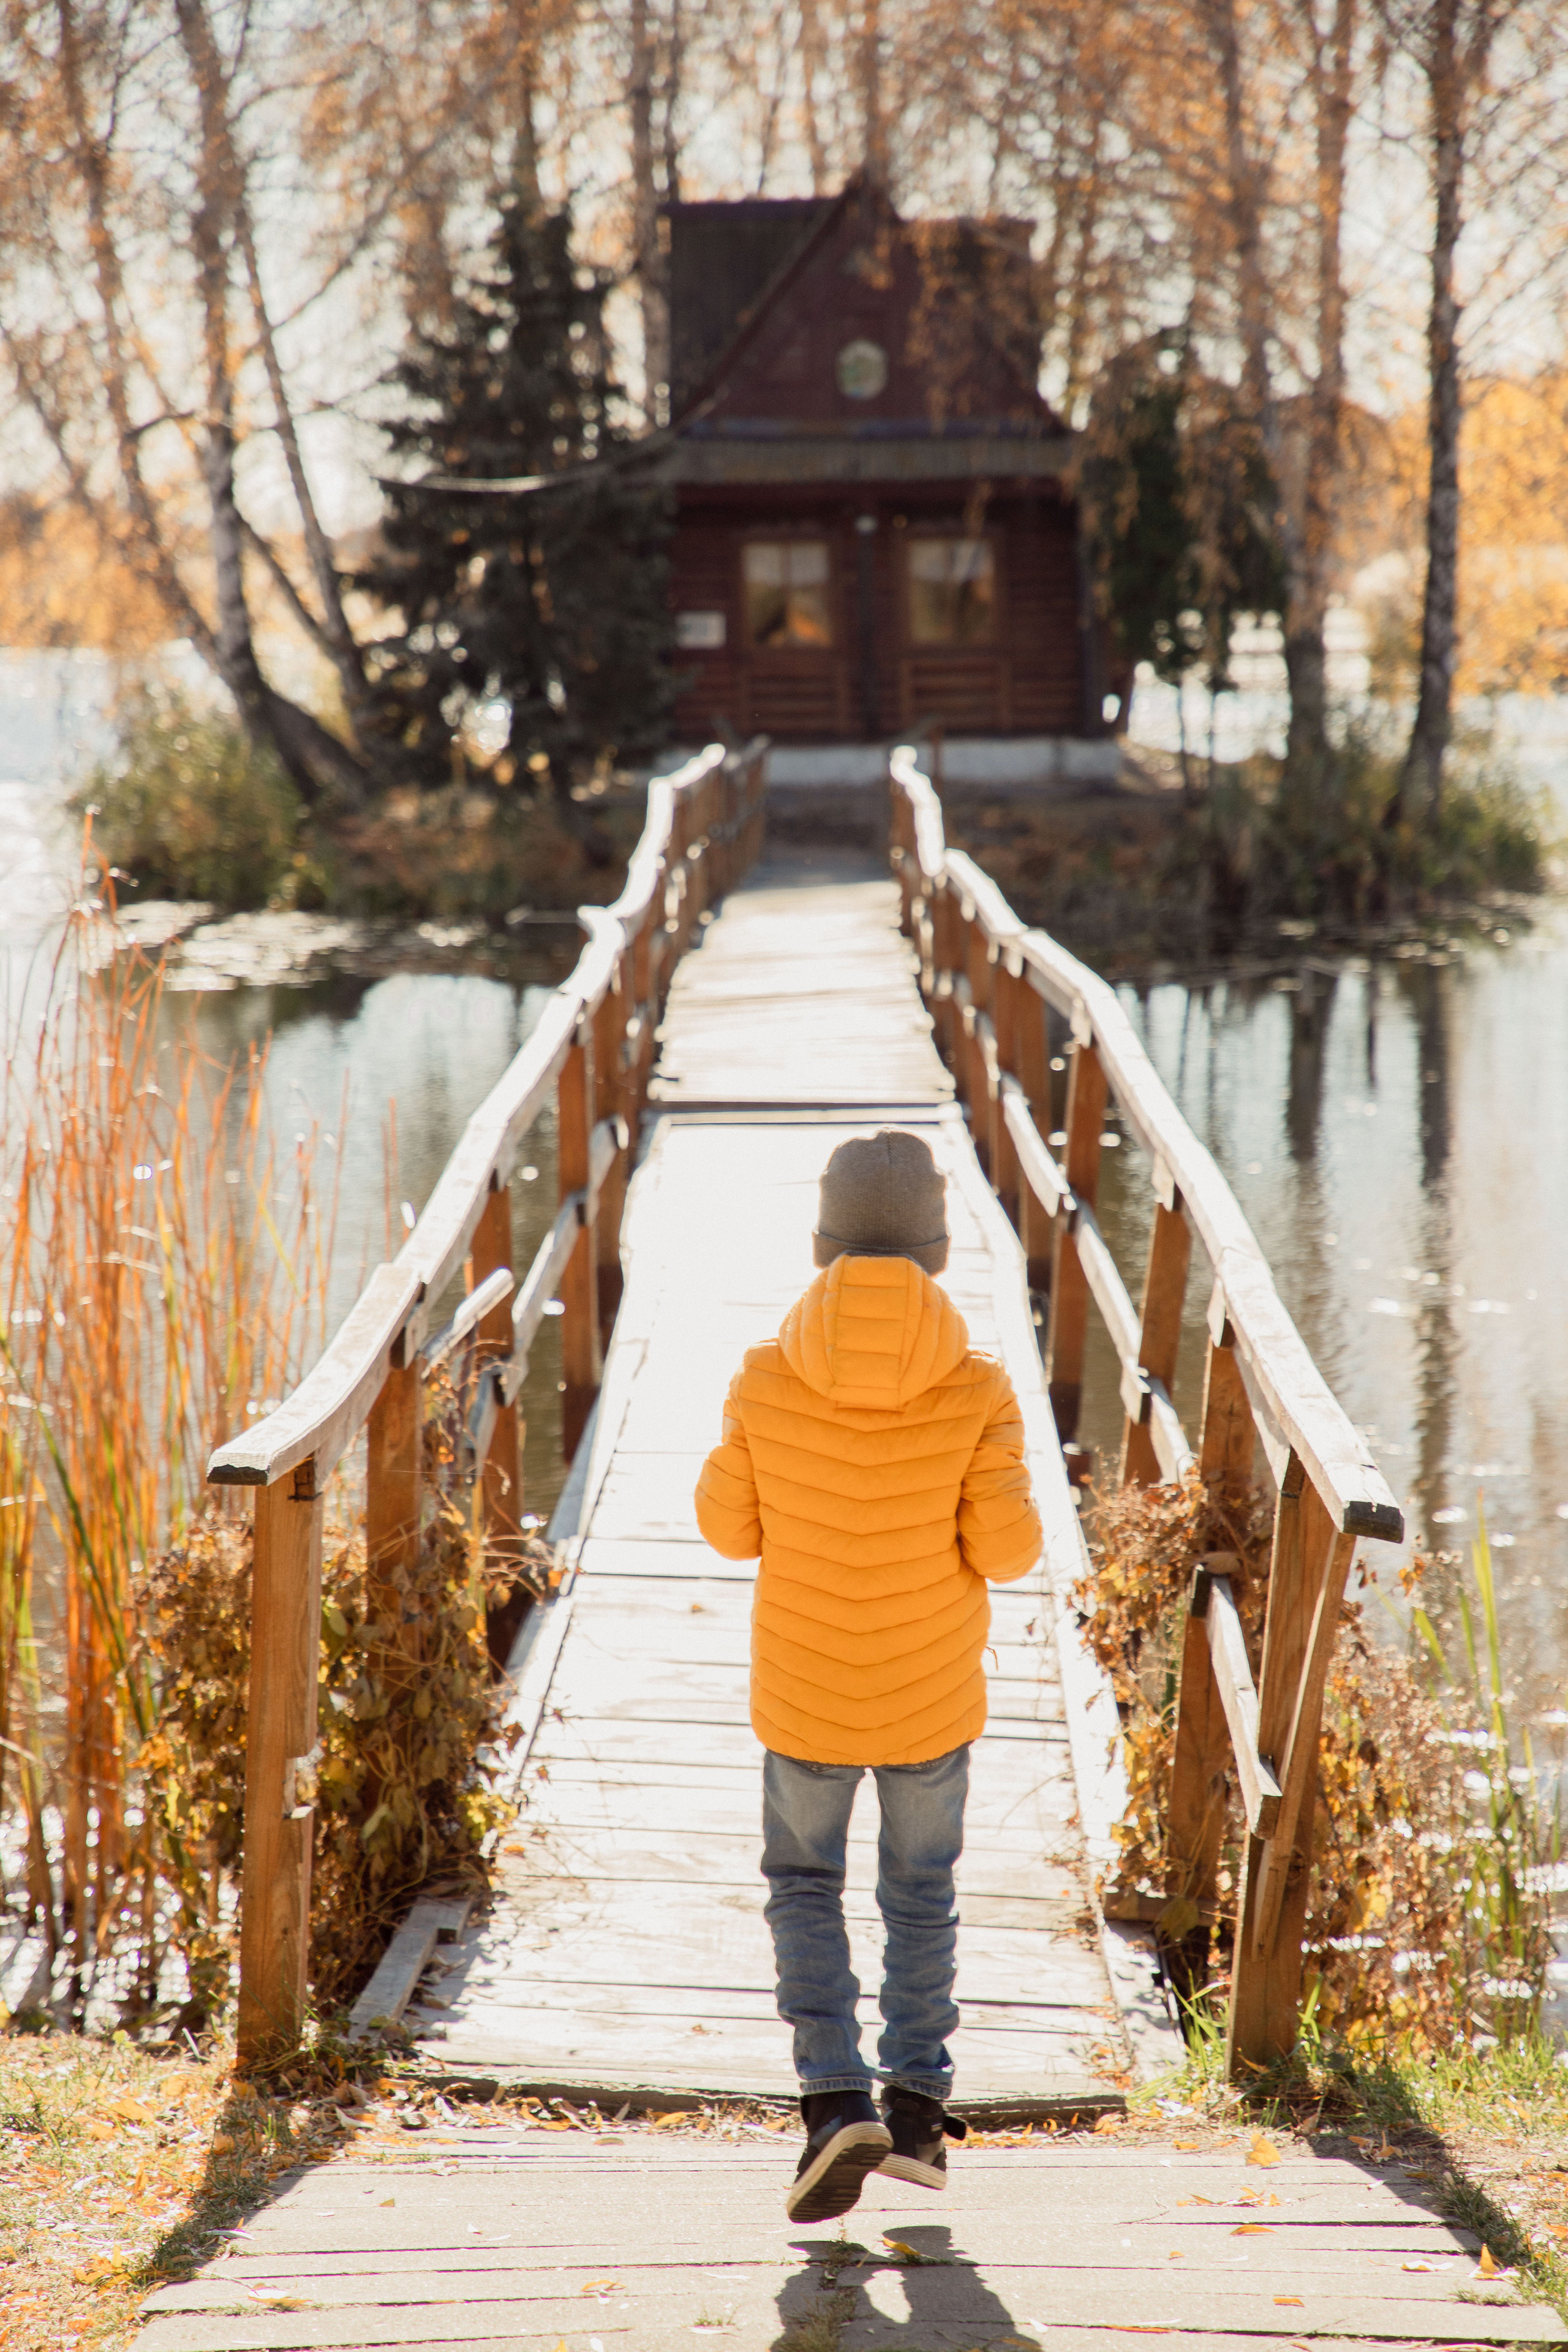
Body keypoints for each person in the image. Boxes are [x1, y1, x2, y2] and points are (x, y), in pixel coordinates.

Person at [694, 1129, 1042, 2223]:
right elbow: (1009, 1553)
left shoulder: (764, 1373)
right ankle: (920, 2112)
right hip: (929, 1693)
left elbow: (727, 1530)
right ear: (937, 1252)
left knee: (805, 1885)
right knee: (921, 1892)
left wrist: (745, 1438)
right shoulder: (979, 1386)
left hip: (804, 1691)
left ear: (823, 1247)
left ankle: (834, 2099)